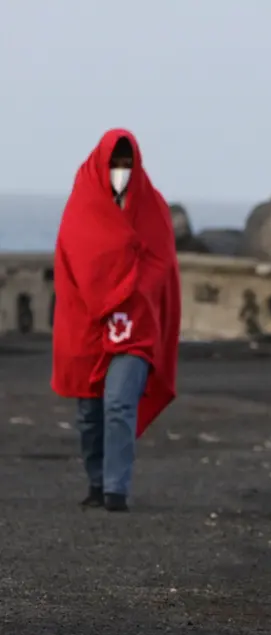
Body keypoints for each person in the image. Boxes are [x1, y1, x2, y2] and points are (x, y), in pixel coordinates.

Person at [52, 129, 181, 512]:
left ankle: (115, 490)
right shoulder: (82, 204)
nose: (121, 171)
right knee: (89, 413)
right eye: (115, 164)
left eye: (127, 164)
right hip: (88, 323)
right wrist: (106, 294)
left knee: (119, 403)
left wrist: (128, 291)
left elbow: (161, 261)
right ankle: (96, 482)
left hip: (135, 322)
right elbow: (73, 261)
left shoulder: (152, 205)